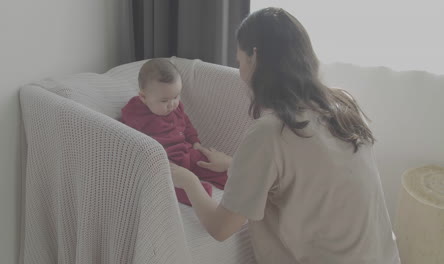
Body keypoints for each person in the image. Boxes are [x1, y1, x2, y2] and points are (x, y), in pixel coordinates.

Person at [169, 7, 401, 263]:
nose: (240, 72)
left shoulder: (270, 132)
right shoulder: (342, 105)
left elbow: (221, 227)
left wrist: (187, 180)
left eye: (239, 61)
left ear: (254, 57)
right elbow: (310, 178)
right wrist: (234, 165)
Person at [121, 58, 228, 206]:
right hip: (166, 161)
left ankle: (231, 180)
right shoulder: (135, 114)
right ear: (144, 97)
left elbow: (187, 125)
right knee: (165, 183)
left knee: (210, 163)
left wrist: (195, 142)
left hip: (186, 152)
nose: (172, 104)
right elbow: (127, 139)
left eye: (176, 96)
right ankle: (195, 192)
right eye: (164, 101)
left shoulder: (177, 108)